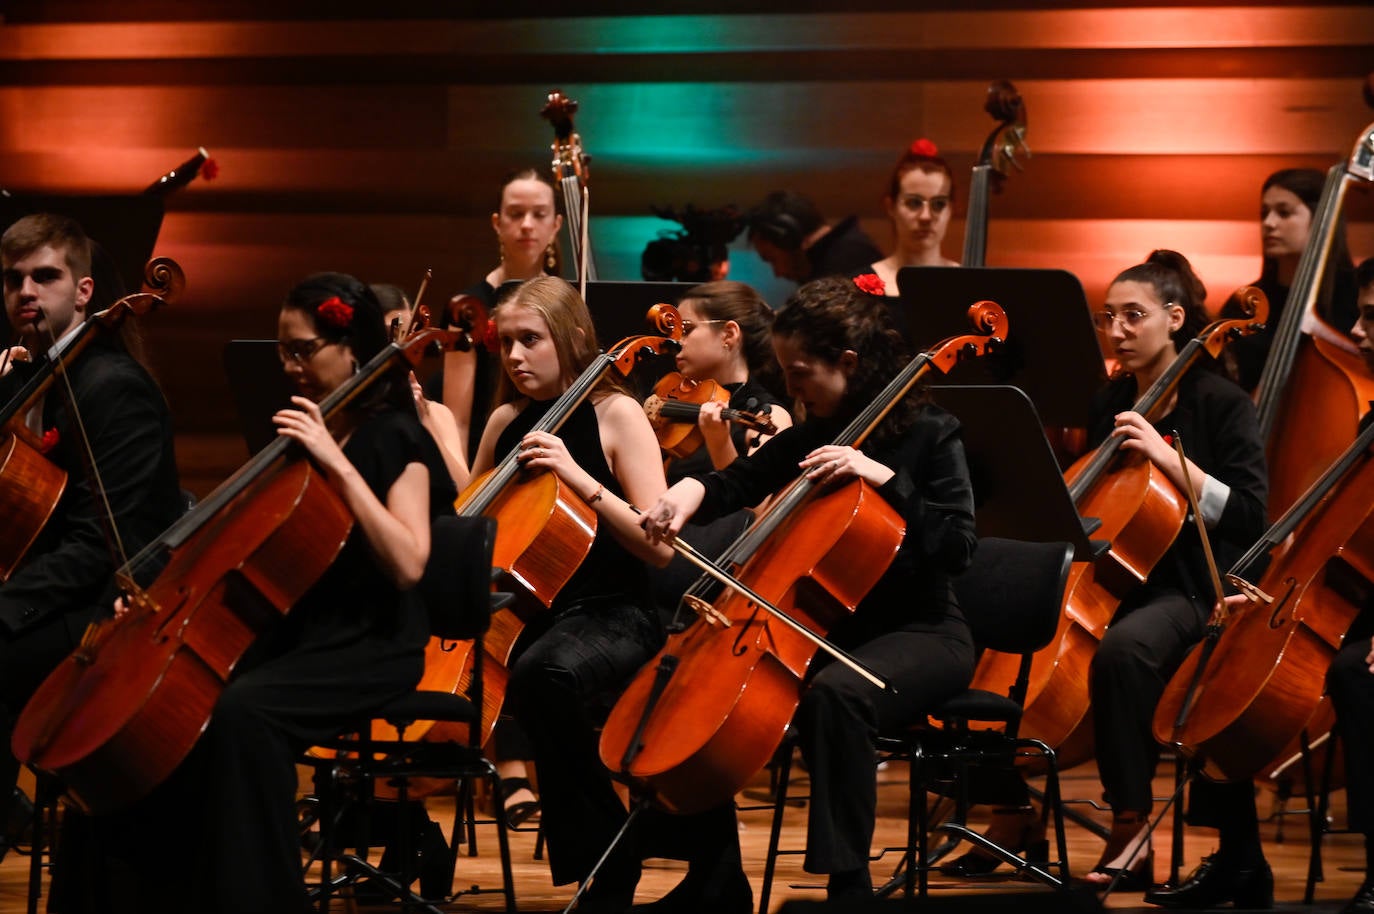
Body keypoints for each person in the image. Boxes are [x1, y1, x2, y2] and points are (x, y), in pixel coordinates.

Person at [640, 274, 978, 902]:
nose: (790, 390)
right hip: (827, 628)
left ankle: (847, 887)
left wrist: (885, 479)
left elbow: (957, 548)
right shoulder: (818, 428)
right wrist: (688, 492)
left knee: (836, 696)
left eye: (800, 374)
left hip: (922, 632)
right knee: (684, 682)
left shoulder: (931, 433)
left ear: (847, 361)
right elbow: (741, 481)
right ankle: (712, 875)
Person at [179, 273, 453, 914]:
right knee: (197, 699)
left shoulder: (394, 437)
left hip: (375, 641)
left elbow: (410, 563)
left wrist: (336, 461)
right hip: (307, 632)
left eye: (302, 350)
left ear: (349, 348)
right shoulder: (313, 431)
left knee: (249, 712)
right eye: (283, 351)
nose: (289, 365)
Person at [1146, 256, 1374, 913]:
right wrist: (1270, 588)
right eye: (1358, 313)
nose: (1357, 332)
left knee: (1360, 675)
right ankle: (1240, 860)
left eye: (1373, 318)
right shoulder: (1372, 421)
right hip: (1352, 600)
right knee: (1223, 653)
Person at [467, 275, 673, 910]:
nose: (516, 356)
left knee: (543, 673)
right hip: (529, 610)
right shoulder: (505, 421)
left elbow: (658, 547)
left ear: (571, 337)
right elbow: (469, 522)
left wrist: (577, 475)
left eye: (530, 339)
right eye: (507, 343)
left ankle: (606, 867)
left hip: (618, 613)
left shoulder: (617, 413)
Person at [0, 213, 181, 853]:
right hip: (49, 592)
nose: (26, 290)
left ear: (82, 291)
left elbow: (102, 545)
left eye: (44, 276)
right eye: (13, 278)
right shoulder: (28, 377)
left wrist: (4, 607)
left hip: (108, 610)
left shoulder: (113, 388)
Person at [427, 168, 564, 465]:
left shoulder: (565, 301)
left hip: (553, 457)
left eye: (539, 214)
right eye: (515, 214)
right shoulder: (467, 306)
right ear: (497, 223)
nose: (527, 225)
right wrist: (465, 495)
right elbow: (457, 420)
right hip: (486, 461)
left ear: (556, 225)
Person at [1225, 168, 1360, 393]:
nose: (1269, 223)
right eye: (1264, 212)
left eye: (1284, 213)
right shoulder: (1247, 303)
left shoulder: (1357, 298)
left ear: (1320, 219)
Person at [865, 138, 959, 295]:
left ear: (951, 209)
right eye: (914, 203)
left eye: (938, 204)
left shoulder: (969, 283)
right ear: (890, 207)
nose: (925, 217)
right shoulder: (863, 287)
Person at [746, 190, 882, 285]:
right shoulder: (849, 252)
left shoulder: (847, 265)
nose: (778, 273)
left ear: (788, 238)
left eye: (772, 259)